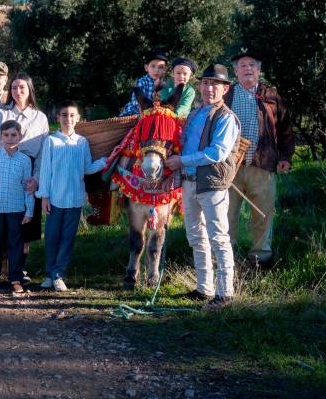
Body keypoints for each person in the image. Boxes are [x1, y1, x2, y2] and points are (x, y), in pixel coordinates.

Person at [165, 64, 240, 310]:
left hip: (212, 185)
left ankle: (225, 294)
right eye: (206, 83)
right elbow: (184, 143)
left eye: (215, 84)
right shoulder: (196, 114)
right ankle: (204, 288)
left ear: (225, 88)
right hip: (189, 183)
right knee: (196, 236)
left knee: (218, 238)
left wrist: (181, 160)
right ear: (200, 86)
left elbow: (216, 153)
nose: (209, 88)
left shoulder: (226, 118)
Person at [0, 72, 49, 289]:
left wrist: (36, 179)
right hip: (1, 174)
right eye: (14, 87)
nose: (18, 91)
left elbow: (43, 152)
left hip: (26, 176)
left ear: (30, 89)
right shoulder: (1, 113)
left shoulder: (40, 117)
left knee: (23, 233)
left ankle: (18, 275)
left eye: (22, 87)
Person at [225, 50, 295, 267]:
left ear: (259, 70)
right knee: (226, 214)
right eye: (243, 65)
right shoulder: (225, 95)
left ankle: (260, 259)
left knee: (263, 213)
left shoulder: (271, 95)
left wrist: (285, 156)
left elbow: (285, 129)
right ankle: (226, 258)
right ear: (235, 71)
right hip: (229, 167)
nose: (247, 68)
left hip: (263, 164)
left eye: (252, 65)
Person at [36, 101, 107, 292]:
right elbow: (45, 171)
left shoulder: (81, 142)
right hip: (55, 198)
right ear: (58, 118)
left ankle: (59, 275)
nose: (68, 119)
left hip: (75, 198)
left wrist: (105, 161)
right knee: (51, 237)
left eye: (72, 115)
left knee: (67, 238)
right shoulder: (51, 141)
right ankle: (50, 274)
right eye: (64, 115)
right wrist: (44, 196)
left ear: (78, 119)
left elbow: (87, 168)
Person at [0, 120, 33, 295]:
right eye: (6, 135)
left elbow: (28, 187)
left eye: (14, 135)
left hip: (16, 209)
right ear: (0, 136)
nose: (10, 138)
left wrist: (30, 210)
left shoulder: (25, 160)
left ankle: (15, 279)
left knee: (15, 245)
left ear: (20, 136)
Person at [120, 51, 169, 116]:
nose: (156, 70)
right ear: (146, 68)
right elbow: (136, 102)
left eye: (160, 67)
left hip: (155, 113)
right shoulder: (143, 82)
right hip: (135, 113)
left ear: (165, 69)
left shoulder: (165, 84)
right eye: (153, 66)